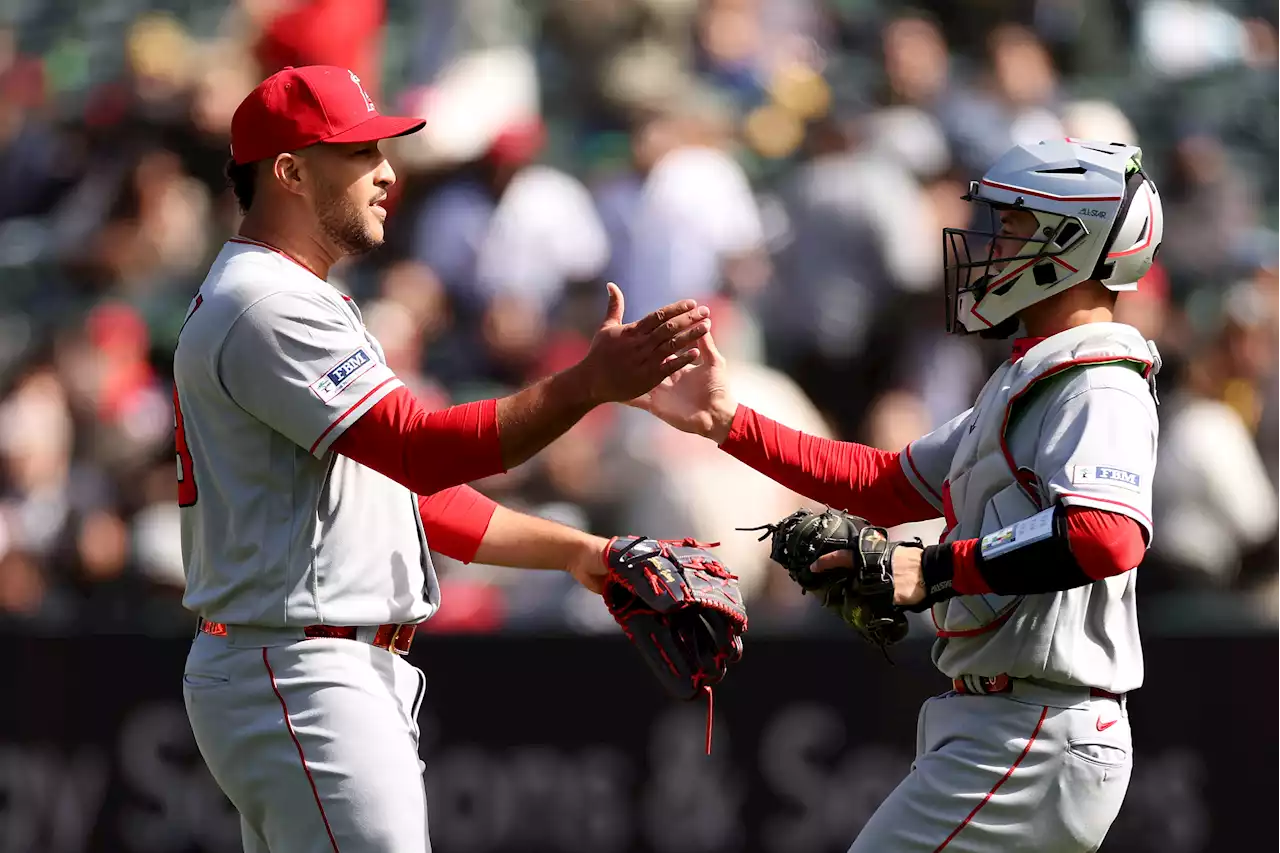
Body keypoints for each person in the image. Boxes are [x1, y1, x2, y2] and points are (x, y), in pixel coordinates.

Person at [173, 65, 711, 853]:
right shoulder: (267, 303)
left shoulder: (290, 296)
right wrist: (586, 385)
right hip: (303, 669)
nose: (387, 172)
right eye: (358, 153)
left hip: (301, 663)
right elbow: (420, 452)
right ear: (287, 171)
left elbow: (402, 492)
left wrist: (581, 553)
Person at [632, 138, 1165, 852]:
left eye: (1012, 226)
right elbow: (883, 484)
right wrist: (729, 423)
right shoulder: (1029, 374)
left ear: (1070, 241)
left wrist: (938, 569)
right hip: (1014, 721)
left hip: (1036, 726)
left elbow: (1106, 533)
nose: (989, 242)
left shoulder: (1098, 381)